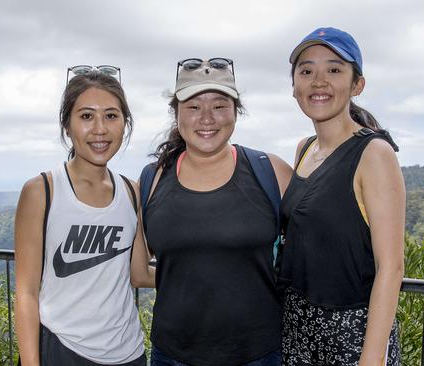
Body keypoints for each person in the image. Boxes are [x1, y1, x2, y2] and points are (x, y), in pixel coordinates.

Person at [136, 58, 293, 366]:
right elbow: (138, 270)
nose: (207, 118)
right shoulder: (152, 179)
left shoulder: (271, 172)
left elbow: (310, 255)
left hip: (258, 355)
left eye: (220, 106)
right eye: (193, 107)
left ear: (236, 111)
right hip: (173, 356)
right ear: (176, 114)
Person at [279, 27, 405, 365]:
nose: (318, 81)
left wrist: (371, 358)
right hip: (298, 327)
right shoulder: (304, 149)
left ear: (357, 84)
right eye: (306, 71)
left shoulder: (374, 153)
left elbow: (391, 267)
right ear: (295, 86)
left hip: (352, 331)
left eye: (334, 70)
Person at [14, 66, 153, 366]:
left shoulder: (132, 192)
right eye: (87, 116)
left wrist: (205, 272)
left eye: (112, 116)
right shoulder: (42, 192)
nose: (100, 129)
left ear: (125, 124)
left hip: (129, 353)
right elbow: (26, 292)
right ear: (67, 125)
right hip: (64, 351)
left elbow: (140, 273)